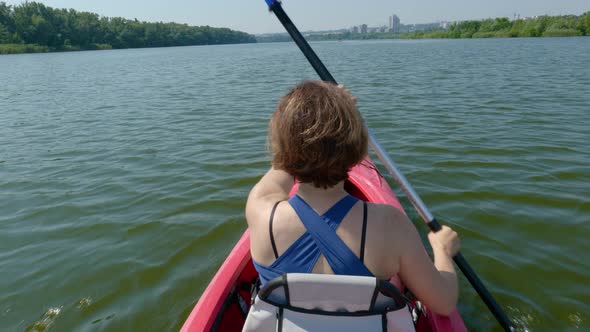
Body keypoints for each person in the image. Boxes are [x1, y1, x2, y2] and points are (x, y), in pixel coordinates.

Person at [245, 80, 461, 316]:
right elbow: (444, 303)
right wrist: (442, 250)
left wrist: (314, 118)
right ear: (358, 146)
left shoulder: (261, 210)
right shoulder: (390, 224)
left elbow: (281, 166)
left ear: (284, 149)